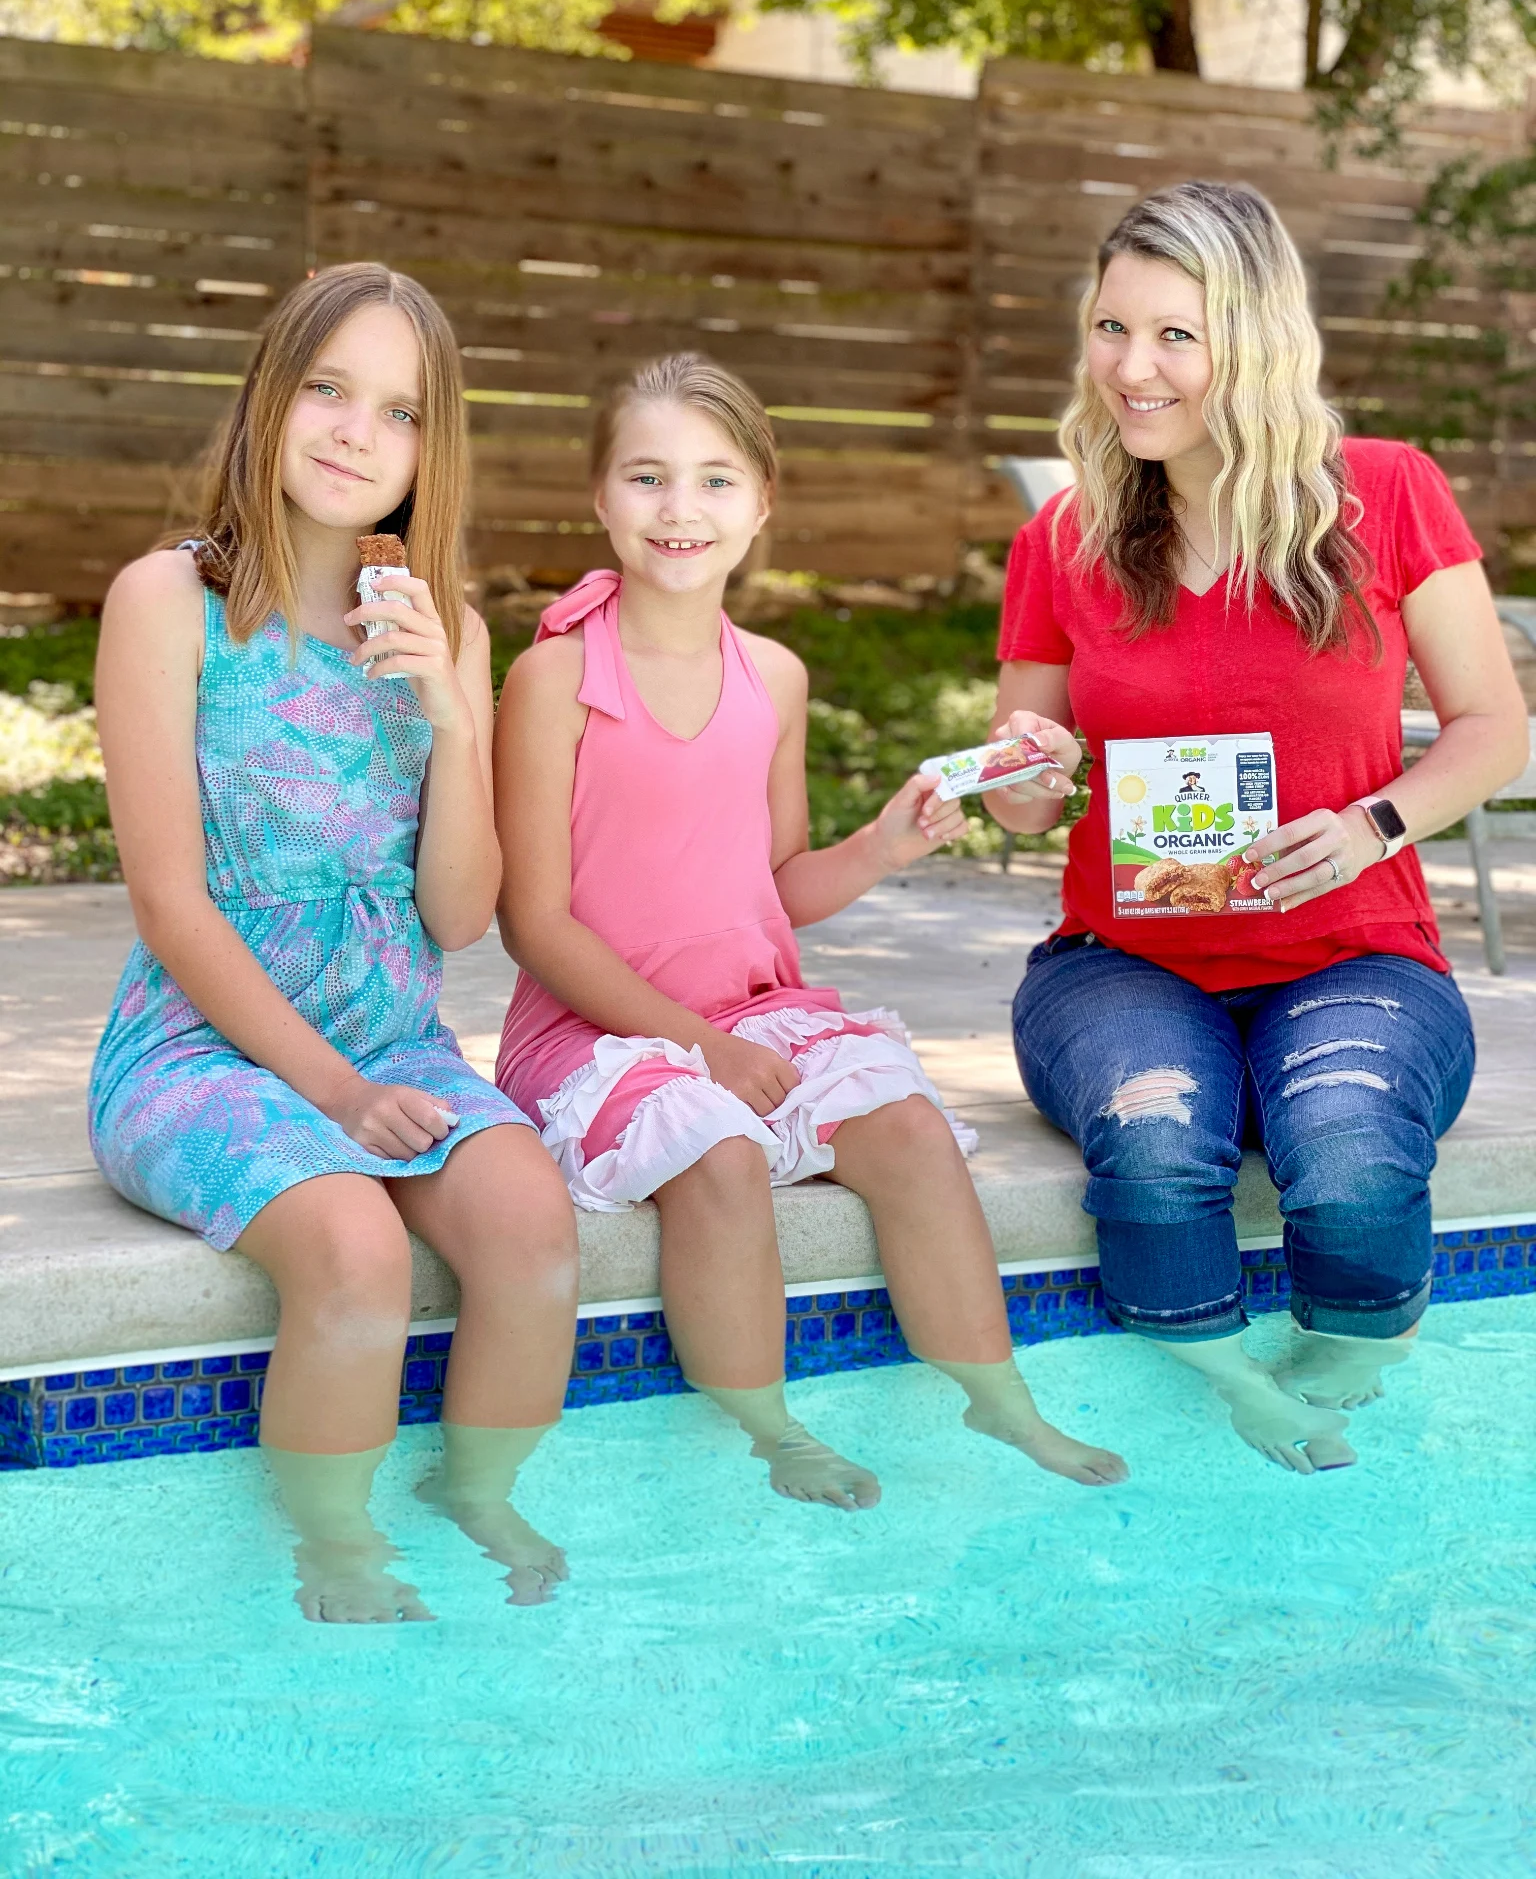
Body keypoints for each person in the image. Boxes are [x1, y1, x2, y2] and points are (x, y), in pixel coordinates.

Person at [494, 354, 1129, 1507]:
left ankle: (1000, 1398)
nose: (680, 509)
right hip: (596, 1033)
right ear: (599, 498)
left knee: (912, 1133)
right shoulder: (553, 679)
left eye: (714, 481)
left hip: (750, 1008)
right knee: (722, 1157)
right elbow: (532, 922)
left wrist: (886, 843)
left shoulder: (773, 677)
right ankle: (772, 1428)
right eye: (647, 477)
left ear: (762, 505)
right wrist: (703, 1046)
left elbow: (777, 884)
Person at [989, 180, 1529, 1474]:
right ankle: (1242, 1396)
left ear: (1257, 338)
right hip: (1124, 965)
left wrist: (1371, 826)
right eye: (1112, 330)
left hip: (1356, 961)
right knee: (1162, 1138)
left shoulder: (1389, 496)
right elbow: (1015, 798)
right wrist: (1031, 771)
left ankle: (1334, 1388)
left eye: (1176, 333)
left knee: (1345, 1169)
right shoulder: (1065, 536)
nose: (1132, 368)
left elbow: (1497, 732)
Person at [89, 263, 579, 1620]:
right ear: (270, 396)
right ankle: (334, 1548)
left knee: (535, 1227)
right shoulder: (167, 603)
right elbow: (170, 906)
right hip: (201, 1047)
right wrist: (336, 1094)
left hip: (394, 1038)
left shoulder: (449, 632)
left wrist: (452, 714)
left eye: (400, 410)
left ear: (436, 447)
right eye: (329, 389)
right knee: (355, 1248)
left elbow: (462, 915)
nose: (358, 432)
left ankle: (475, 1494)